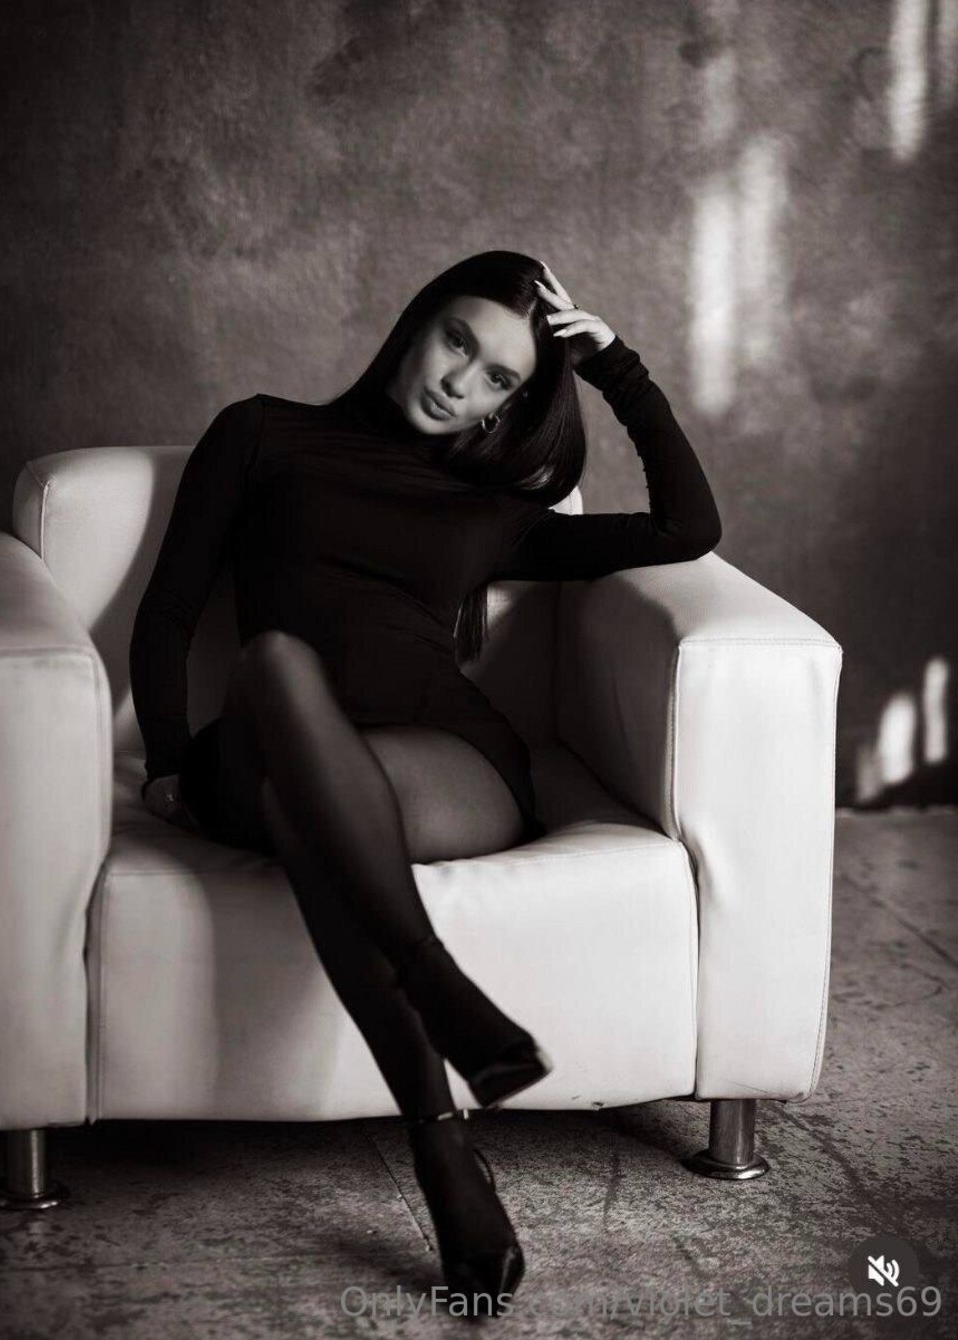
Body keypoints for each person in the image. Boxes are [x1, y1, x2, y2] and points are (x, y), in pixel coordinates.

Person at [128, 250, 722, 1318]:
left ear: (511, 407)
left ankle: (438, 1136)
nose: (461, 382)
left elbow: (689, 529)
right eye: (458, 341)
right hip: (264, 746)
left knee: (313, 812)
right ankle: (442, 1018)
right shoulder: (260, 434)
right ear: (416, 322)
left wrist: (618, 368)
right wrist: (169, 760)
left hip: (441, 760)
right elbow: (169, 612)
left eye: (499, 378)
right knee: (275, 669)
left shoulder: (494, 503)